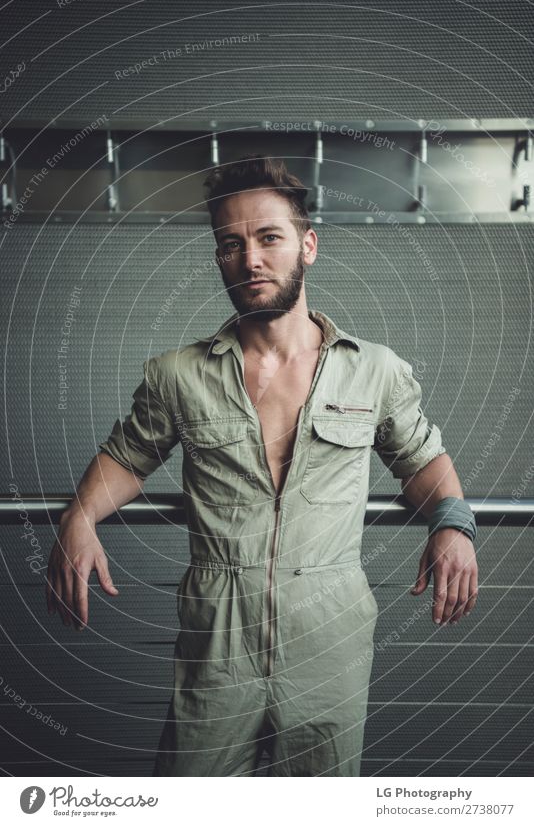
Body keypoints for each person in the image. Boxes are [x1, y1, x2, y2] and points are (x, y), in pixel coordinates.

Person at [47, 154, 478, 777]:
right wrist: (79, 518)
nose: (249, 259)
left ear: (307, 245)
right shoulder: (179, 375)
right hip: (217, 632)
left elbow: (422, 461)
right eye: (231, 243)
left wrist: (454, 523)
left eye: (268, 238)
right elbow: (126, 456)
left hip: (329, 628)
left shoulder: (374, 369)